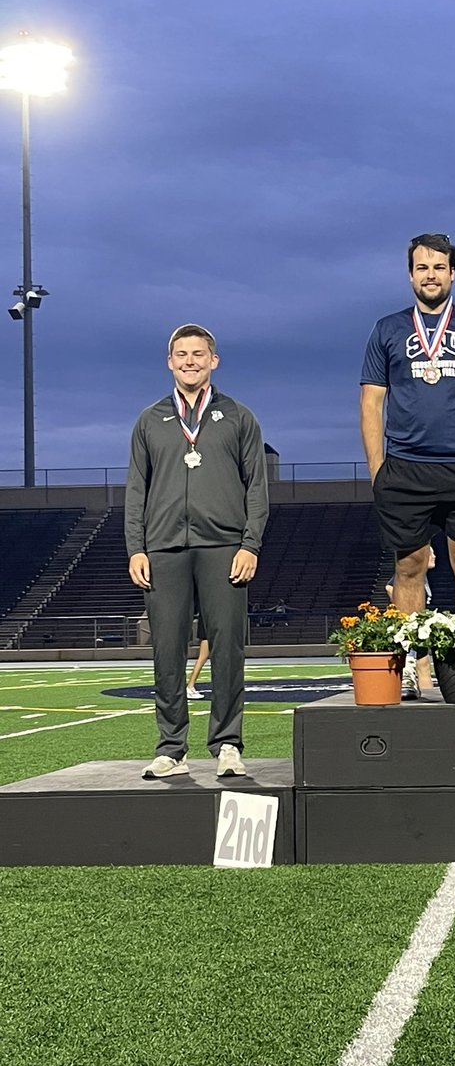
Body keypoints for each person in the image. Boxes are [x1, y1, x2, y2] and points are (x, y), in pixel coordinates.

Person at [360, 232, 455, 686]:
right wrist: (377, 472)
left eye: (439, 267)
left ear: (453, 273)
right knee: (407, 566)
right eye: (422, 267)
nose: (431, 275)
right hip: (405, 466)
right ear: (411, 274)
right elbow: (371, 403)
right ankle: (412, 667)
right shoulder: (387, 329)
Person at [125, 324, 269, 780]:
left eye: (199, 354)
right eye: (181, 354)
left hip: (224, 548)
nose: (190, 360)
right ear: (170, 362)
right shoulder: (150, 420)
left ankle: (227, 743)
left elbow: (257, 490)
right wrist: (136, 548)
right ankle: (171, 747)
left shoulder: (240, 417)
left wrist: (250, 544)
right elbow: (135, 490)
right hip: (164, 549)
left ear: (214, 361)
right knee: (166, 649)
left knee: (228, 648)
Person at [386, 544, 437, 697]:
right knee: (420, 663)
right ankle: (419, 692)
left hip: (419, 625)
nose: (434, 557)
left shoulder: (423, 577)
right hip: (410, 626)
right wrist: (403, 612)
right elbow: (389, 587)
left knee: (424, 664)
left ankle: (427, 694)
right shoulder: (412, 575)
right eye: (430, 554)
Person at [186, 614, 209, 700]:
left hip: (207, 627)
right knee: (202, 658)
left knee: (203, 658)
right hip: (208, 629)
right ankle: (190, 686)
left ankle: (190, 686)